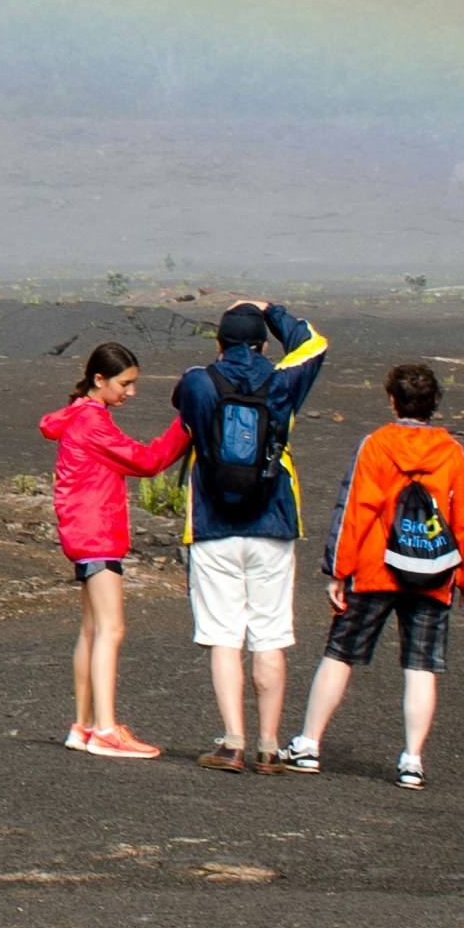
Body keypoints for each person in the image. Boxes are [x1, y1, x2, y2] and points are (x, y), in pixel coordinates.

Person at [288, 359, 464, 785]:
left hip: (375, 569)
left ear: (393, 400)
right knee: (421, 667)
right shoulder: (451, 451)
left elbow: (355, 509)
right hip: (433, 571)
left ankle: (308, 744)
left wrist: (337, 571)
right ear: (433, 403)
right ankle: (412, 760)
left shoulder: (376, 445)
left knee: (339, 654)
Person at [171, 298, 327, 770]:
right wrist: (273, 309)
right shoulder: (282, 381)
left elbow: (185, 410)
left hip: (213, 525)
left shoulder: (199, 381)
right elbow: (314, 345)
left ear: (219, 343)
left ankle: (232, 741)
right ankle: (268, 744)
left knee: (223, 635)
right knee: (270, 635)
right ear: (262, 343)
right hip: (274, 521)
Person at [39, 342, 182, 758]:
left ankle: (83, 727)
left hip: (83, 534)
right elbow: (147, 461)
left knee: (91, 630)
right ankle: (104, 730)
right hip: (97, 534)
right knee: (112, 630)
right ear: (99, 380)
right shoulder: (93, 425)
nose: (130, 392)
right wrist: (185, 429)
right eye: (125, 384)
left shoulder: (79, 418)